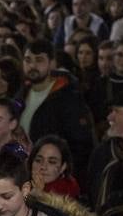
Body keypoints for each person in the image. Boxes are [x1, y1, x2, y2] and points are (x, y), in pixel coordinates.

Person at [20, 40, 96, 178]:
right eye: (27, 60)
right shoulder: (21, 94)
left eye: (39, 60)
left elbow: (81, 147)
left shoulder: (68, 98)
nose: (32, 65)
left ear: (52, 63)